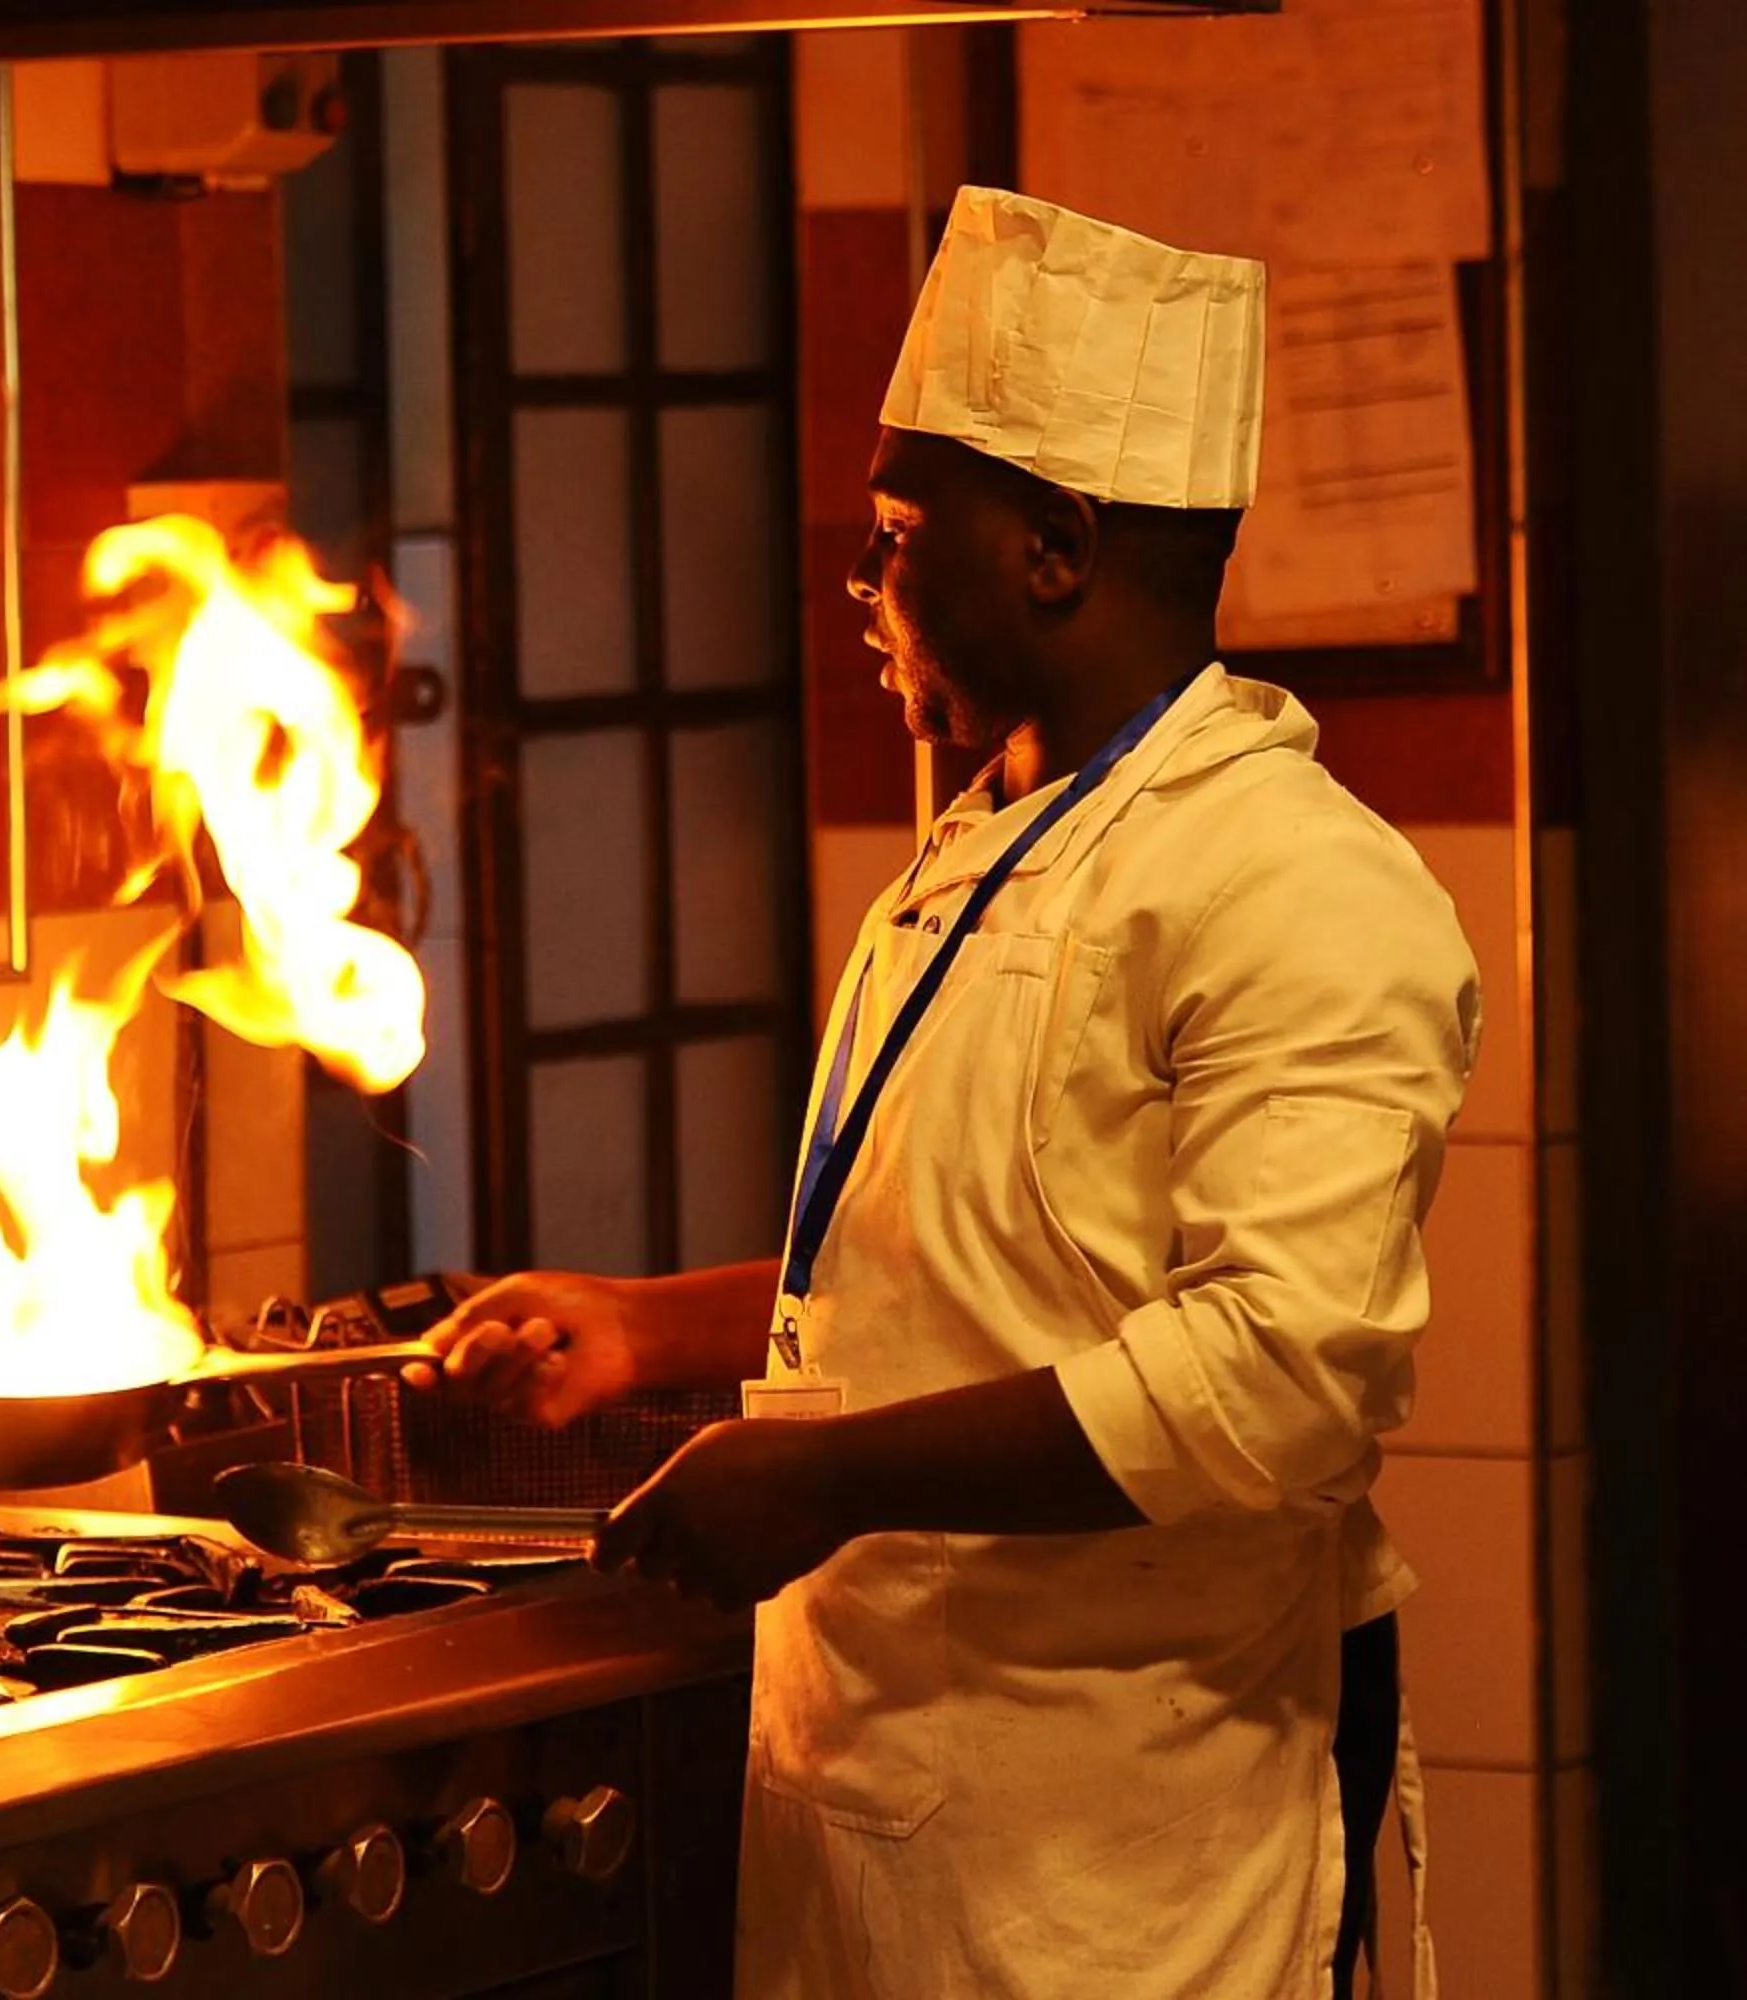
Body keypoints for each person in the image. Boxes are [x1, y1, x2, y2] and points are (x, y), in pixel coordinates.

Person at [411, 187, 1481, 1999]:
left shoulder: (1302, 884)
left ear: (1052, 549)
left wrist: (821, 1482)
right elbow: (979, 1274)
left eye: (894, 533)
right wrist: (650, 1331)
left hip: (1122, 1858)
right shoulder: (990, 840)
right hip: (879, 1802)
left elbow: (1277, 1378)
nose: (860, 585)